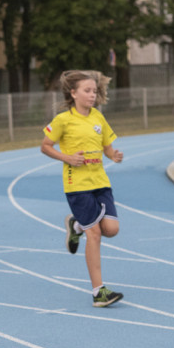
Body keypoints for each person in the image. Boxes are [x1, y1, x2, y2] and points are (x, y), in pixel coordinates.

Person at [40, 70, 124, 307]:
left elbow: (107, 147)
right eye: (87, 91)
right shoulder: (62, 120)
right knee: (94, 234)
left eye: (94, 91)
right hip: (77, 185)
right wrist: (66, 157)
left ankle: (75, 224)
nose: (92, 95)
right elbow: (45, 146)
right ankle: (99, 292)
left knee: (111, 229)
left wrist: (113, 155)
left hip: (101, 182)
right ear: (73, 93)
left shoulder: (98, 117)